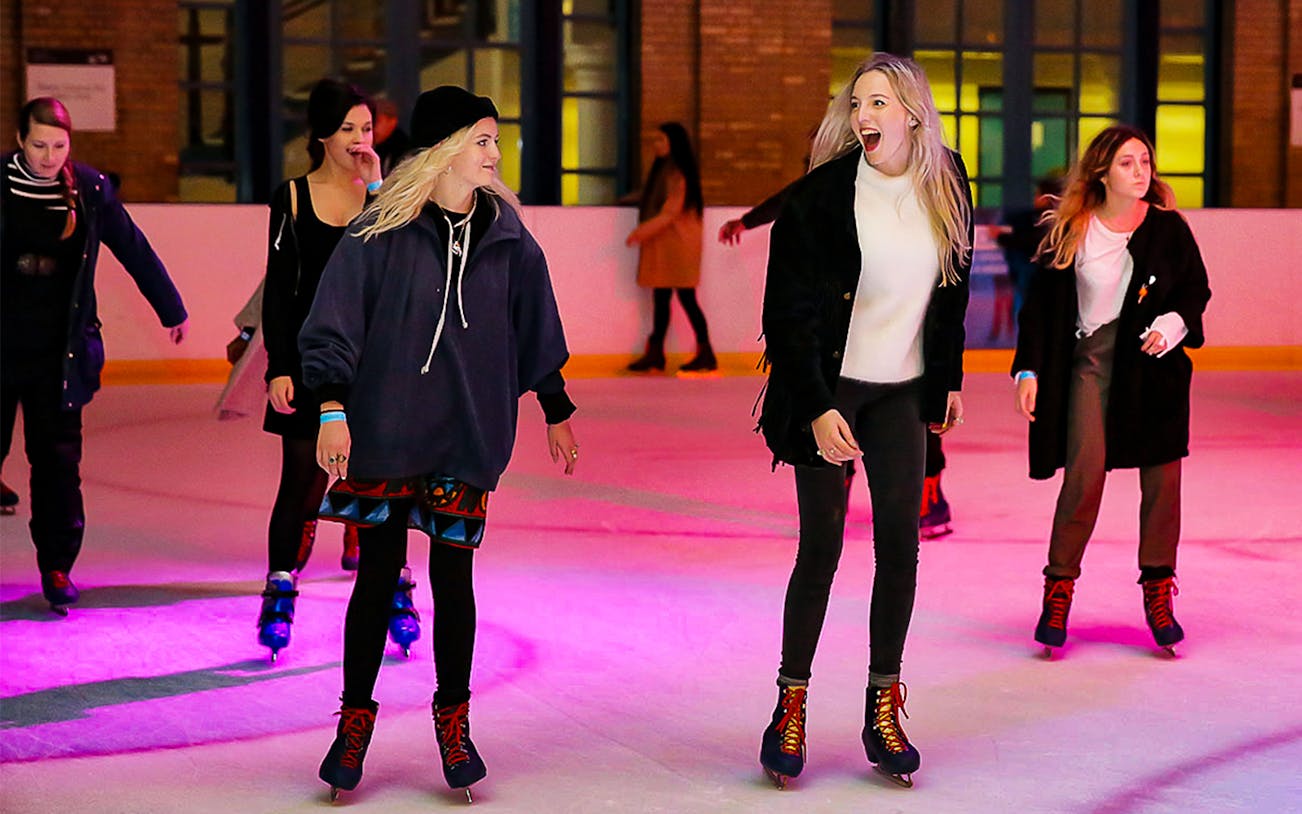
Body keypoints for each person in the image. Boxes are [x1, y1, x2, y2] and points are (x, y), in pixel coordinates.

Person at [300, 85, 579, 801]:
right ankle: (353, 724)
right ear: (446, 149)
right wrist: (332, 407)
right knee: (378, 574)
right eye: (483, 140)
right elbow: (334, 322)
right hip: (385, 431)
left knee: (454, 580)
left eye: (494, 141)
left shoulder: (510, 238)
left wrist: (555, 406)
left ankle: (454, 724)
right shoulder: (379, 230)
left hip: (466, 433)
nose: (494, 154)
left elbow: (535, 325)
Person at [755, 53, 971, 789]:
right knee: (820, 551)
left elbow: (953, 288)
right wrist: (816, 407)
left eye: (879, 102)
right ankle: (790, 702)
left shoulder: (947, 181)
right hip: (832, 388)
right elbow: (784, 317)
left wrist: (948, 381)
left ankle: (883, 705)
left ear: (911, 111)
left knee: (900, 551)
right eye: (856, 104)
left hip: (902, 395)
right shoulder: (819, 199)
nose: (864, 116)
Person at [1013, 125, 1210, 658]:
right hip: (1090, 367)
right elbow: (1037, 311)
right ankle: (1058, 588)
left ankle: (1157, 591)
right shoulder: (1071, 230)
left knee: (1164, 481)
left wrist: (1176, 322)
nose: (1141, 171)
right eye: (1127, 163)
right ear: (1101, 172)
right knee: (1084, 475)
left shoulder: (1168, 229)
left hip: (1153, 369)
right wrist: (1027, 371)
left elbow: (1196, 289)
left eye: (1145, 161)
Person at [1, 97, 189, 614]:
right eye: (38, 144)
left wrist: (170, 308)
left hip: (58, 356)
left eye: (58, 146)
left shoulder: (89, 189)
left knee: (58, 466)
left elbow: (133, 247)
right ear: (20, 140)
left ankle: (57, 566)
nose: (47, 155)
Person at [721, 179, 956, 540]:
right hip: (843, 327)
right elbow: (788, 200)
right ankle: (837, 486)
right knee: (838, 404)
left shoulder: (911, 185)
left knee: (914, 410)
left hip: (903, 331)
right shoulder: (822, 189)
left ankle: (928, 489)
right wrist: (750, 221)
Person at [254, 79, 390, 661]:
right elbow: (279, 294)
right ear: (321, 136)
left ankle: (394, 588)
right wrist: (278, 368)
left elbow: (404, 261)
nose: (360, 140)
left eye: (367, 128)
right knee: (302, 481)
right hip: (311, 364)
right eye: (349, 130)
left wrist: (381, 184)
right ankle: (281, 585)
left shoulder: (383, 200)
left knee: (383, 479)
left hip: (373, 364)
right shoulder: (291, 198)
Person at [625, 122, 715, 373]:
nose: (657, 145)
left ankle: (704, 352)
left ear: (673, 143)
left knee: (686, 298)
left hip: (678, 247)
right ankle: (656, 353)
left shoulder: (678, 174)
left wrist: (640, 233)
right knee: (662, 298)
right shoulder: (665, 170)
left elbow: (670, 212)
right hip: (667, 246)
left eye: (661, 140)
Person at [373, 97, 410, 176]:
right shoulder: (377, 145)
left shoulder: (403, 148)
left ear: (392, 121)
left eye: (376, 121)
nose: (372, 128)